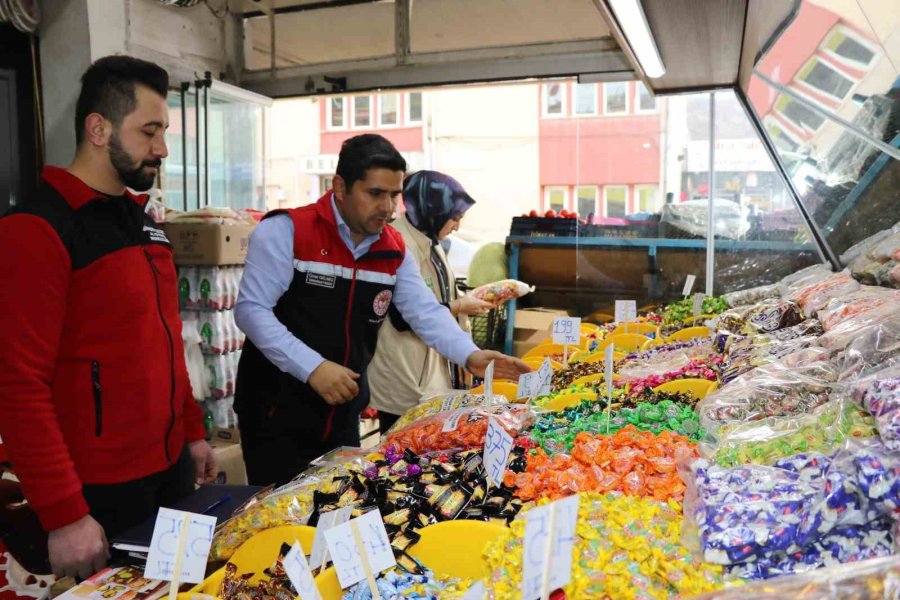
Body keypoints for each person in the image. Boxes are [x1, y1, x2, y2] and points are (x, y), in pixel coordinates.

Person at [0, 55, 216, 580]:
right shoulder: (37, 229)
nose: (162, 148)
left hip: (169, 471)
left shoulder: (142, 222)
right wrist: (65, 512)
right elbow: (17, 385)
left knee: (183, 590)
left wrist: (192, 433)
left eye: (163, 131)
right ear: (98, 129)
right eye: (149, 131)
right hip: (99, 491)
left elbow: (166, 340)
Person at [234, 134, 530, 486]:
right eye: (375, 194)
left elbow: (423, 310)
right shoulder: (287, 232)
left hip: (342, 411)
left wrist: (470, 355)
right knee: (272, 523)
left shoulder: (392, 248)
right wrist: (312, 367)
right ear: (340, 187)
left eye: (394, 195)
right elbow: (251, 311)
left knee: (333, 508)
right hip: (276, 411)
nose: (388, 208)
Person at [366, 171, 493, 434]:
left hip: (430, 370)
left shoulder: (432, 242)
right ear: (433, 210)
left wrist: (465, 302)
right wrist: (459, 306)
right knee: (398, 450)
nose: (457, 226)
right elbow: (403, 318)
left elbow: (437, 297)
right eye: (455, 217)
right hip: (404, 373)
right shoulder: (395, 244)